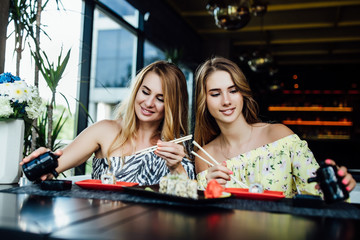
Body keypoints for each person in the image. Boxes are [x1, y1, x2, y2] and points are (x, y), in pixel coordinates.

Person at [193, 56, 356, 198]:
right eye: (215, 94)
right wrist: (209, 192)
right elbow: (205, 218)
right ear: (204, 101)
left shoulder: (280, 136)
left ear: (242, 93)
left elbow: (316, 191)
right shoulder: (204, 156)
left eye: (233, 90)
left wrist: (338, 184)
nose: (226, 100)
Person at [21, 61, 195, 185]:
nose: (149, 103)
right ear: (136, 91)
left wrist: (176, 167)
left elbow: (190, 201)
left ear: (172, 106)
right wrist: (42, 162)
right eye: (145, 92)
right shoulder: (104, 131)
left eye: (160, 98)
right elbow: (51, 171)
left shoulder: (175, 148)